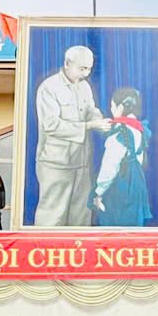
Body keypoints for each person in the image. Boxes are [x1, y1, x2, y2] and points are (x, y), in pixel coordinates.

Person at [33, 45, 110, 226]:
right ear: (67, 63)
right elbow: (51, 125)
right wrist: (90, 125)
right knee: (52, 217)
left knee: (81, 217)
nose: (86, 73)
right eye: (82, 68)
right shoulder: (49, 87)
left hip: (81, 163)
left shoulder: (84, 86)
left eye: (89, 69)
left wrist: (98, 120)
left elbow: (91, 110)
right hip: (56, 165)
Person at [92, 88, 152, 227]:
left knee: (115, 229)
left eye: (112, 106)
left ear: (119, 108)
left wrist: (99, 192)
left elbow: (109, 169)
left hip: (120, 189)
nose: (111, 110)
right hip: (137, 186)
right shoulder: (139, 129)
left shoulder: (118, 134)